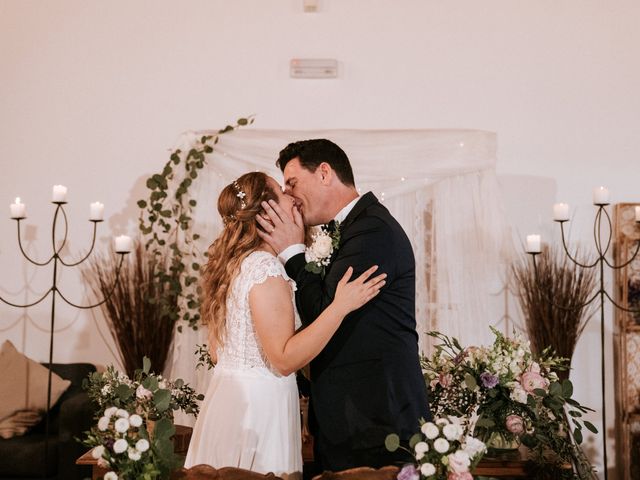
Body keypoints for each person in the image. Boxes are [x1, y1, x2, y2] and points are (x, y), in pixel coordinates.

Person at [184, 172, 386, 479]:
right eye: (282, 191)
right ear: (268, 213)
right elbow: (283, 360)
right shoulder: (265, 269)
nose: (292, 197)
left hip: (227, 401)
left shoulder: (236, 263)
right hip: (259, 411)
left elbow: (217, 352)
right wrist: (340, 307)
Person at [257, 139, 430, 471]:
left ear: (324, 172)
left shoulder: (372, 232)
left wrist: (293, 254)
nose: (289, 195)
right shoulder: (352, 229)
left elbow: (324, 311)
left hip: (377, 420)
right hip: (352, 420)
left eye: (292, 183)